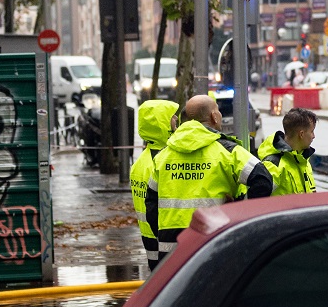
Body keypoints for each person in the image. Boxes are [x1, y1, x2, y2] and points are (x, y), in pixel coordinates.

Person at [146, 94, 273, 263]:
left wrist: (162, 234)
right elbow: (263, 180)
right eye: (218, 111)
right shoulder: (227, 150)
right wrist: (239, 209)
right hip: (213, 241)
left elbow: (151, 204)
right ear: (214, 116)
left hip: (171, 247)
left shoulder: (163, 156)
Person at [130, 99, 180, 270]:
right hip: (163, 237)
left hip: (149, 236)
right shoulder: (162, 160)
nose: (176, 121)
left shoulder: (141, 161)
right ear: (162, 123)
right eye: (172, 118)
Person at [257, 106, 317, 195]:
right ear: (301, 134)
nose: (314, 136)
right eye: (312, 131)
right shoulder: (273, 166)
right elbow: (258, 201)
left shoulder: (303, 160)